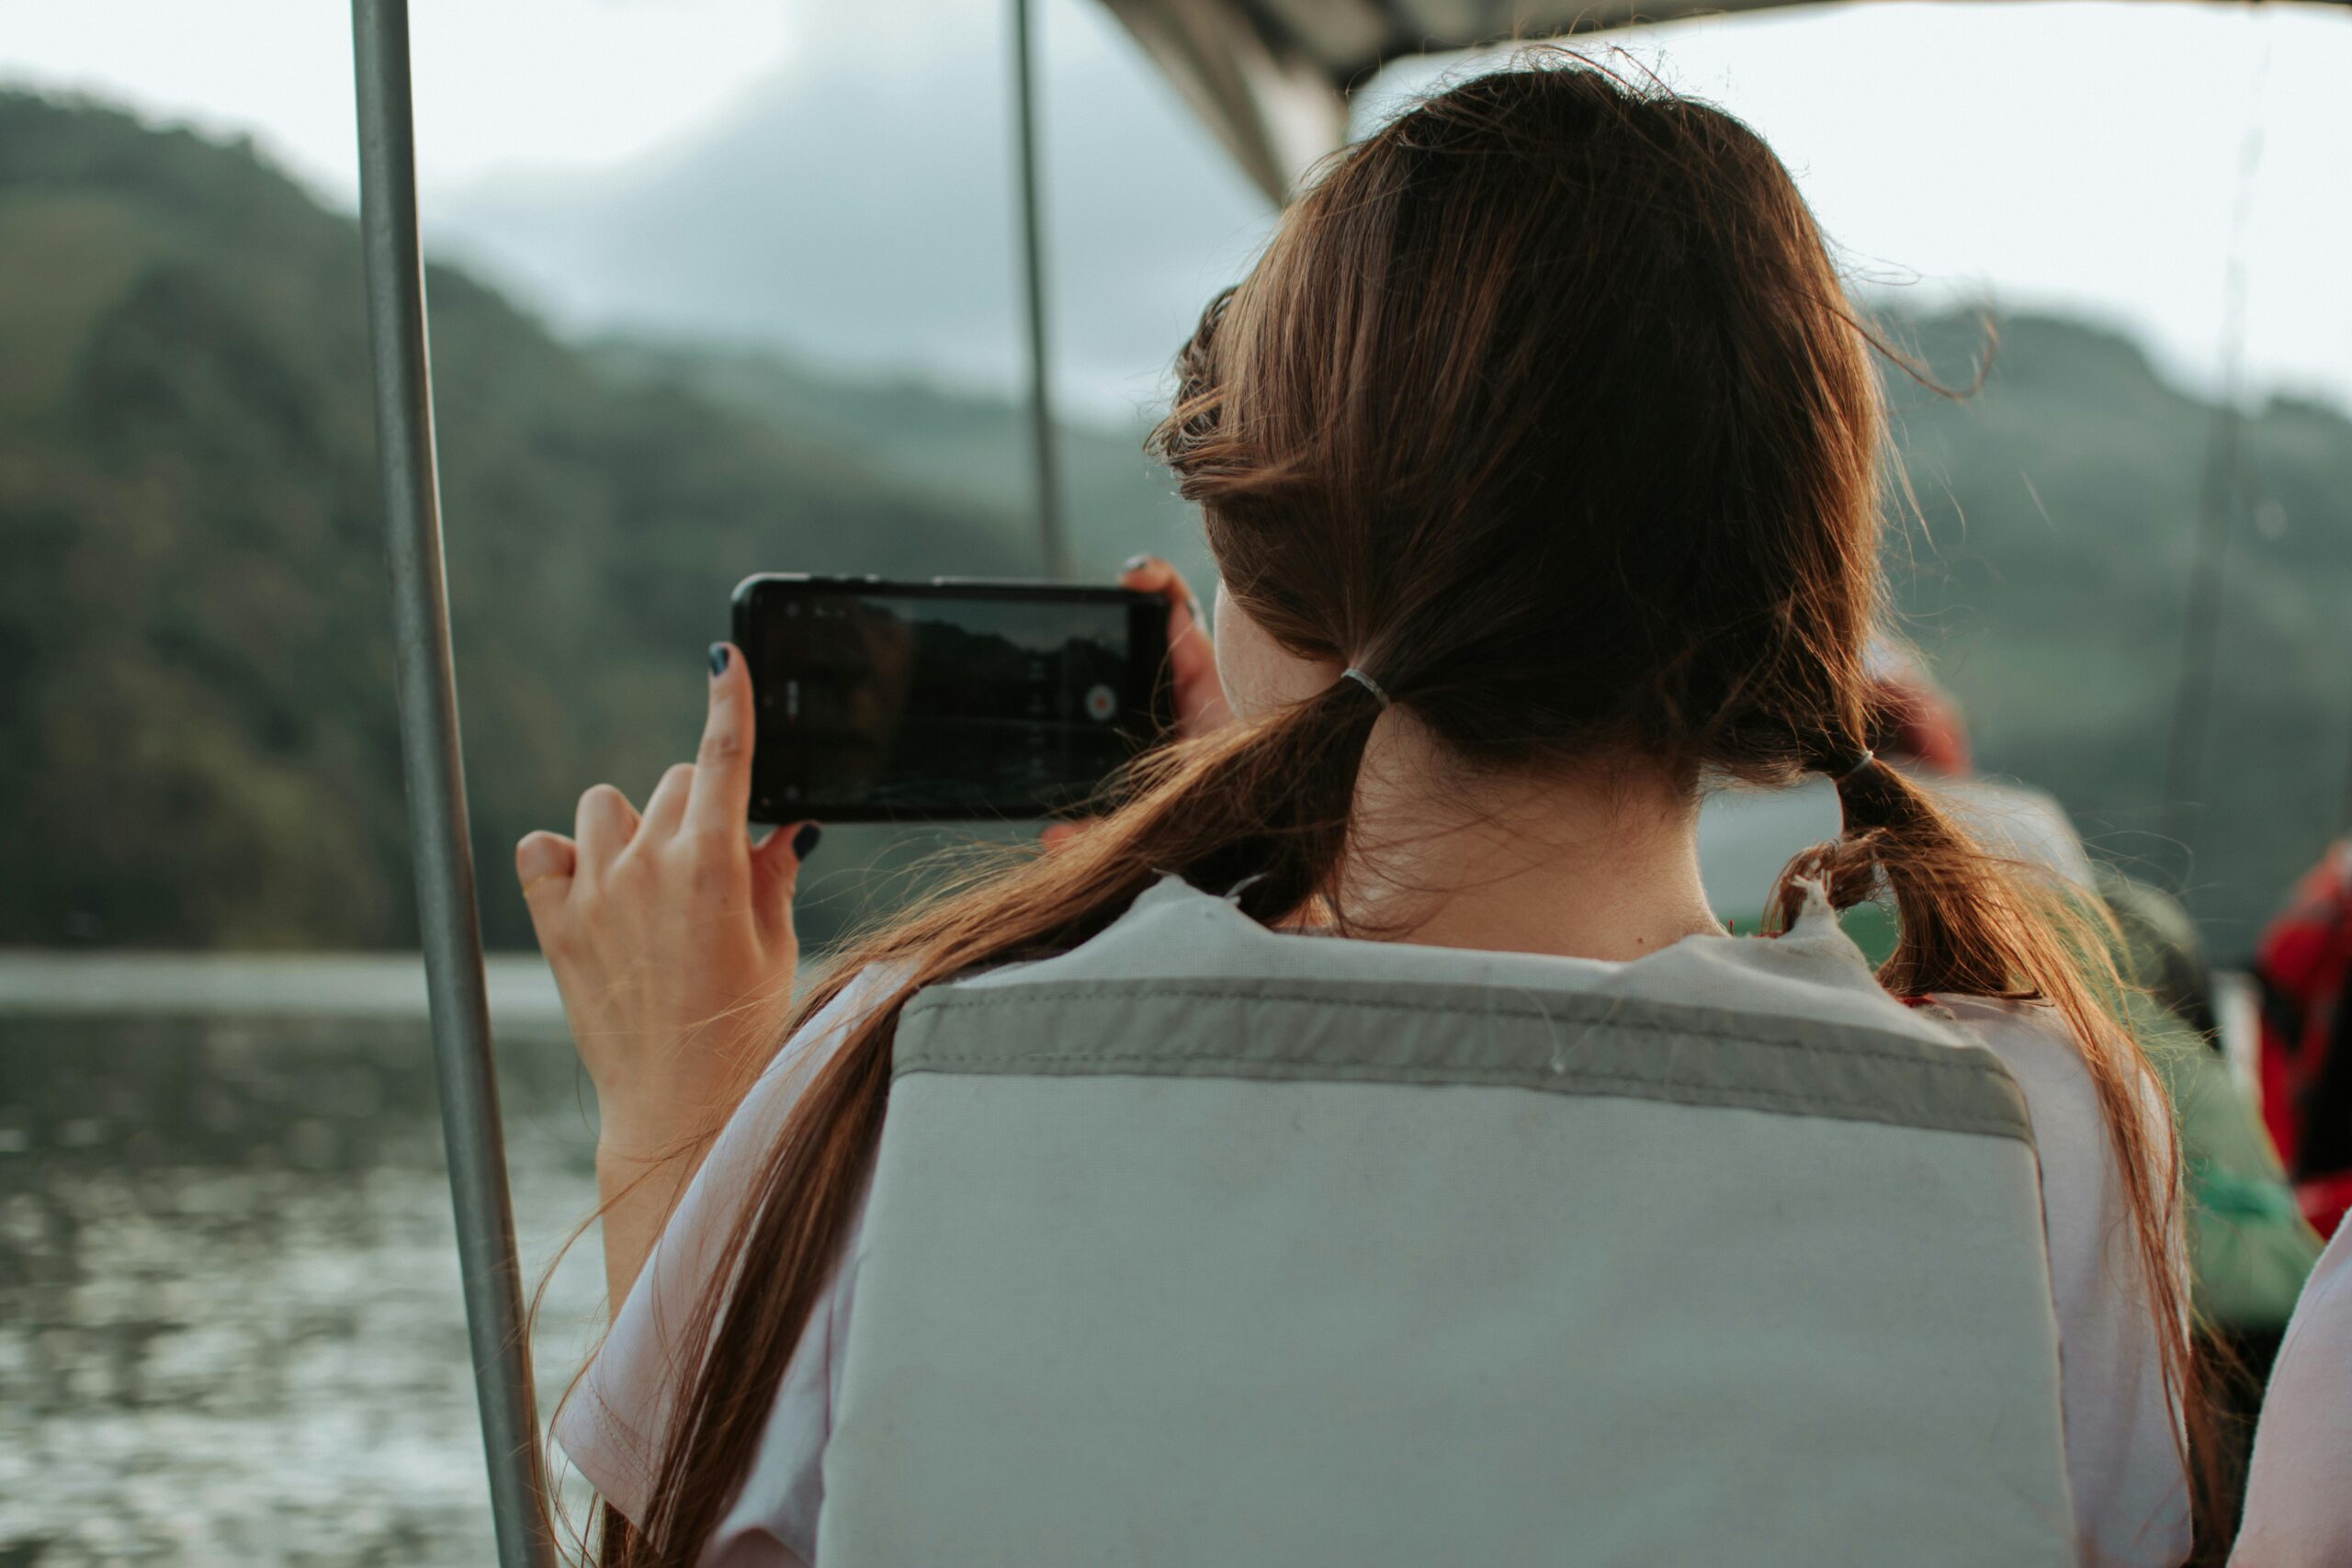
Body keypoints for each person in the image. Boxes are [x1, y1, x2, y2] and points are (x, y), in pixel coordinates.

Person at [514, 60, 2212, 1567]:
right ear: (1791, 585)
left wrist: (682, 1109)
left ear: (1269, 571)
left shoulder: (904, 1069)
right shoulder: (2047, 1134)